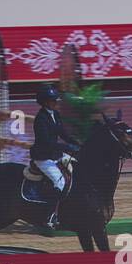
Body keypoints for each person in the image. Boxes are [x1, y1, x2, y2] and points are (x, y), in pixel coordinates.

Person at [30, 84, 81, 229]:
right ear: (45, 102)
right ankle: (49, 215)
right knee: (59, 182)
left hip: (55, 154)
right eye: (53, 100)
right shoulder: (40, 119)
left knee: (76, 169)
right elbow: (47, 142)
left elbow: (63, 133)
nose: (56, 102)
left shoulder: (55, 115)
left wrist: (76, 142)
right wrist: (68, 147)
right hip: (43, 157)